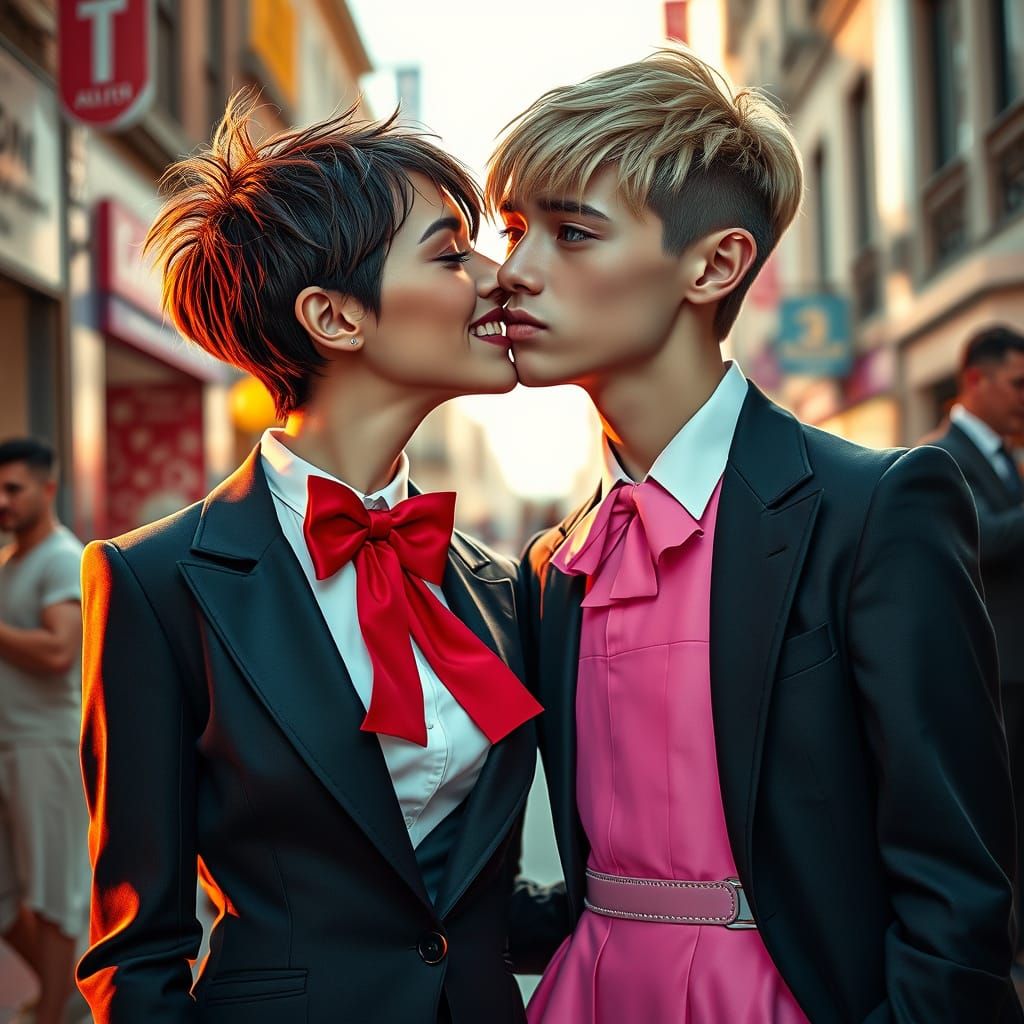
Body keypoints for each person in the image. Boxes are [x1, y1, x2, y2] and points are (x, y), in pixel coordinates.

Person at [491, 49, 1022, 1022]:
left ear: (715, 263)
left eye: (571, 233)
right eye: (514, 230)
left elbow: (956, 892)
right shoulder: (552, 563)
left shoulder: (876, 508)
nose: (513, 273)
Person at [77, 95, 543, 1024]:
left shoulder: (500, 586)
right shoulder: (159, 584)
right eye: (452, 255)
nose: (502, 278)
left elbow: (467, 902)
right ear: (334, 316)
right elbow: (138, 951)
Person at [922, 325, 1024, 960]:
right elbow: (975, 540)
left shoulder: (1007, 458)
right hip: (994, 674)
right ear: (974, 381)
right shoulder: (941, 458)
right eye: (1018, 384)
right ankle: (998, 946)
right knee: (999, 818)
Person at [0, 437, 88, 1024]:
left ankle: (57, 1010)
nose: (2, 501)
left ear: (48, 489)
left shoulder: (61, 557)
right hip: (9, 744)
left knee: (55, 896)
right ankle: (71, 994)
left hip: (45, 744)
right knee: (7, 898)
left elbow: (60, 651)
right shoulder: (10, 562)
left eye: (13, 488)